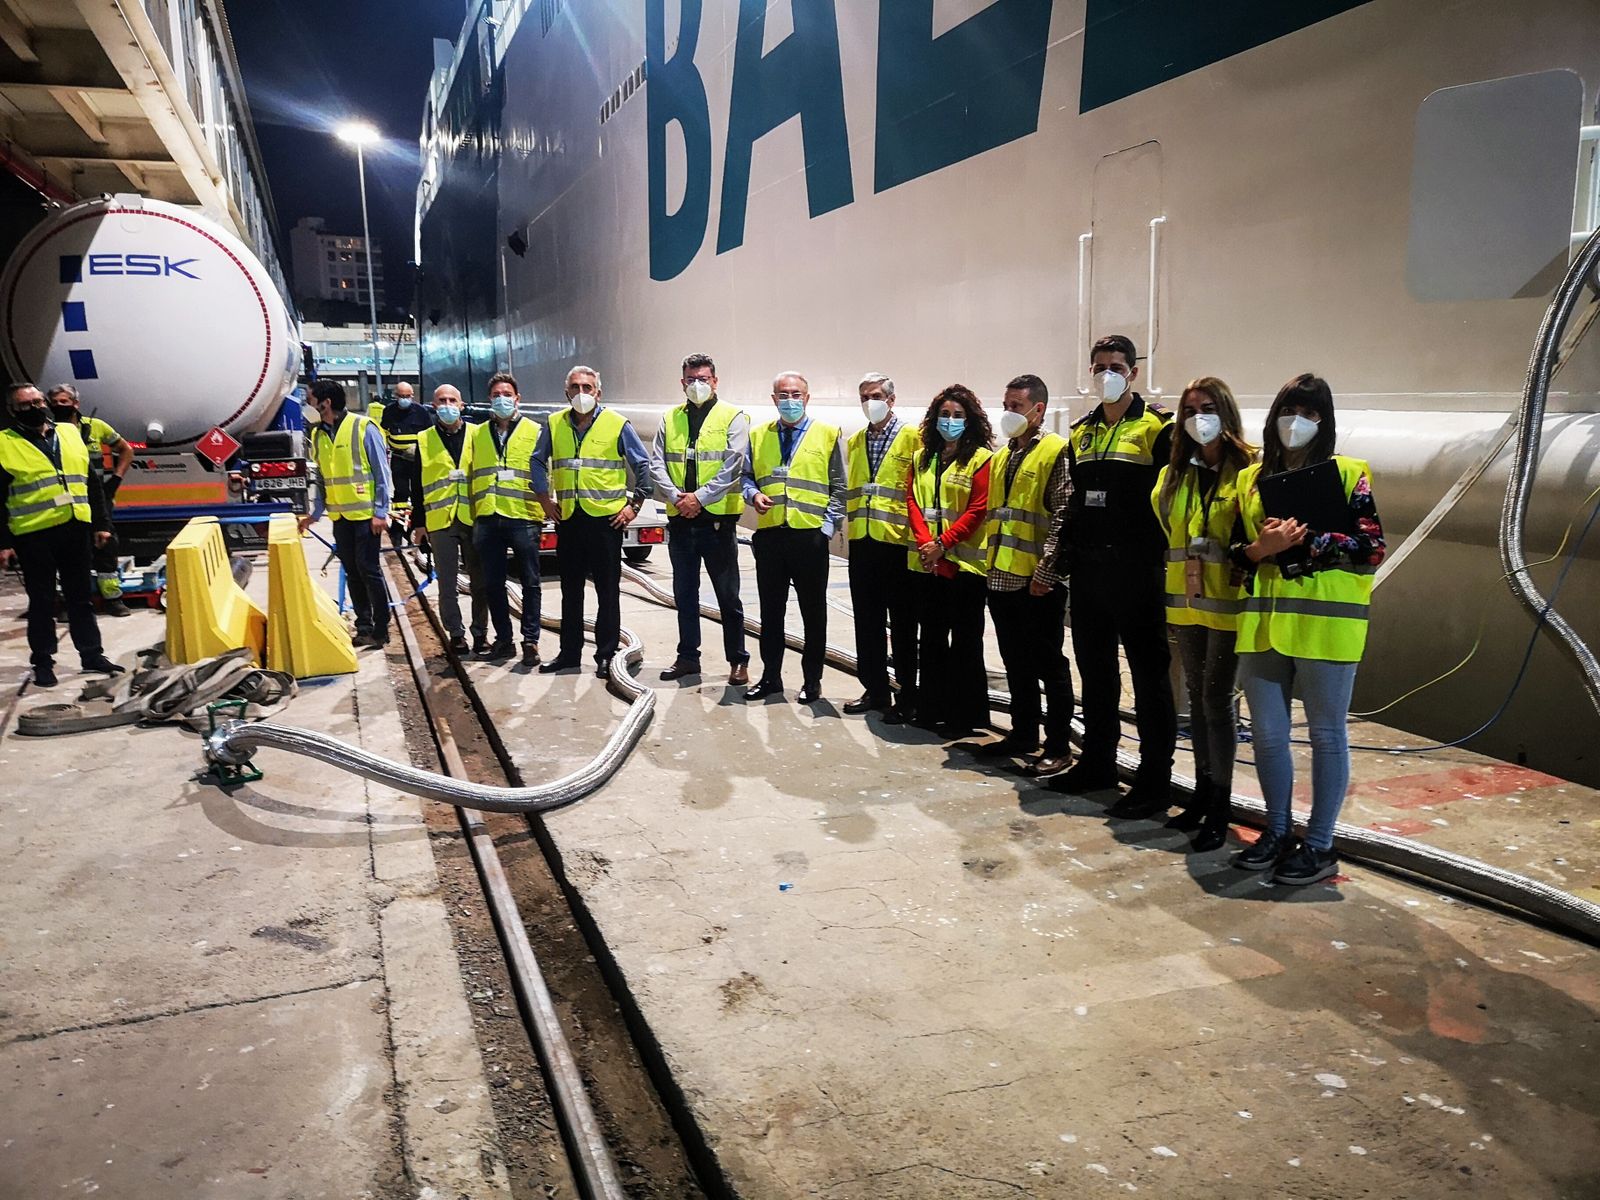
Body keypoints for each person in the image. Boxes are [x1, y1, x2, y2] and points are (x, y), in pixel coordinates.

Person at [1229, 373, 1385, 885]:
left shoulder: (1347, 474)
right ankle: (1277, 830)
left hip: (1327, 626)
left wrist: (1311, 540)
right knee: (1269, 739)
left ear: (1326, 423)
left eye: (1312, 414)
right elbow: (1237, 558)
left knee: (1326, 736)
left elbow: (1372, 548)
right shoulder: (1251, 480)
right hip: (1264, 624)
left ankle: (1319, 844)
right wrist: (1262, 549)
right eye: (1291, 410)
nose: (1298, 423)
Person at [1054, 333, 1177, 818]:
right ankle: (1098, 763)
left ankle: (1154, 781)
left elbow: (1169, 499)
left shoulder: (1157, 429)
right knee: (1096, 672)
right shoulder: (1082, 433)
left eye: (1117, 366)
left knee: (1149, 678)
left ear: (1133, 372)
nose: (1107, 373)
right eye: (1099, 366)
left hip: (1137, 571)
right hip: (1089, 572)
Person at [1151, 377, 1255, 851]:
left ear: (1226, 412)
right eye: (1189, 410)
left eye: (1208, 408)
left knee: (1217, 702)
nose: (1198, 418)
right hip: (1187, 605)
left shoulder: (1249, 470)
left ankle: (1221, 803)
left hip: (1229, 606)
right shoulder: (1176, 474)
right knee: (1196, 700)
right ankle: (1201, 793)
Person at [0, 383, 123, 686]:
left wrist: (101, 524)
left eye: (39, 401)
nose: (36, 407)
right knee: (42, 602)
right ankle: (43, 661)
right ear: (13, 411)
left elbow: (91, 483)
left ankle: (91, 654)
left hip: (74, 528)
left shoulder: (69, 433)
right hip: (34, 534)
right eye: (26, 405)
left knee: (81, 597)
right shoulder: (4, 443)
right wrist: (4, 544)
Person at [981, 373, 1073, 776]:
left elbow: (1063, 515)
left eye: (1015, 407)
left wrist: (1047, 571)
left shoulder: (1055, 451)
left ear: (1038, 410)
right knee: (1015, 661)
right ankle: (1023, 733)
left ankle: (1057, 745)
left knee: (1048, 664)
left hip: (1038, 581)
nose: (1008, 414)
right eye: (1005, 406)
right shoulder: (1003, 455)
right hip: (1002, 576)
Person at [537, 365, 652, 678]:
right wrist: (544, 499)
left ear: (598, 393)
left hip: (606, 522)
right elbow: (537, 460)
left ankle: (606, 654)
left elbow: (643, 465)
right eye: (575, 387)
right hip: (570, 519)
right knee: (570, 591)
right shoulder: (554, 423)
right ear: (567, 392)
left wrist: (634, 506)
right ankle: (569, 654)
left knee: (607, 592)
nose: (581, 393)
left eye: (587, 388)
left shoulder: (617, 424)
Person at [741, 371, 846, 704]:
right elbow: (746, 478)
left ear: (807, 397)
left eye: (796, 394)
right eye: (783, 395)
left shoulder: (827, 435)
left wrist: (826, 529)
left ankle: (811, 681)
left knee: (813, 613)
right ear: (774, 399)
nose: (790, 400)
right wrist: (752, 495)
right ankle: (770, 676)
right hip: (771, 537)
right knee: (771, 613)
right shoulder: (758, 436)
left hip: (810, 538)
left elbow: (839, 488)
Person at [650, 353, 752, 686]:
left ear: (715, 381)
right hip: (682, 521)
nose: (697, 385)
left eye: (703, 379)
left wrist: (700, 498)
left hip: (716, 523)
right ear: (682, 383)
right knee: (685, 593)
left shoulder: (733, 416)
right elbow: (657, 464)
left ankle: (738, 660)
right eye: (691, 379)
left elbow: (733, 464)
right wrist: (679, 498)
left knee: (727, 595)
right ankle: (687, 658)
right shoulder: (670, 419)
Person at [906, 384, 993, 739]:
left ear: (970, 420)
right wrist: (927, 544)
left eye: (958, 416)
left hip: (965, 569)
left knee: (966, 644)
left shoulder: (982, 459)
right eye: (945, 414)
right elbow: (912, 501)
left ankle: (964, 715)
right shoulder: (922, 458)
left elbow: (978, 509)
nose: (951, 421)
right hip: (929, 565)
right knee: (931, 640)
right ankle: (931, 708)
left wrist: (944, 543)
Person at [842, 372, 922, 722]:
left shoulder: (912, 438)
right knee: (867, 621)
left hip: (898, 545)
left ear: (891, 399)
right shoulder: (856, 440)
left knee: (904, 624)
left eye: (875, 395)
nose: (869, 402)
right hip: (864, 544)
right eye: (864, 396)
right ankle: (875, 689)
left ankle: (908, 694)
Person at [299, 379, 393, 648]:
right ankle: (364, 625)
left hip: (366, 516)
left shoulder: (363, 427)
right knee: (352, 571)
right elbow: (320, 477)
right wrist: (315, 513)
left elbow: (381, 473)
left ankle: (381, 626)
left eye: (310, 399)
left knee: (369, 570)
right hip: (340, 517)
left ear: (325, 403)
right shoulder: (318, 435)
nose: (308, 404)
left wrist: (380, 511)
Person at [469, 371, 547, 665]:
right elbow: (469, 473)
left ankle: (530, 640)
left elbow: (543, 471)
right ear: (489, 399)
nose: (502, 399)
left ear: (518, 398)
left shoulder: (534, 430)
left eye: (507, 394)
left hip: (523, 516)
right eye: (496, 395)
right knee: (493, 584)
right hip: (488, 517)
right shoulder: (477, 433)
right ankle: (504, 640)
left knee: (531, 582)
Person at [407, 384, 488, 656]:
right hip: (440, 520)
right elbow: (416, 485)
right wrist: (418, 523)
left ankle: (480, 633)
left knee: (480, 581)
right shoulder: (424, 439)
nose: (447, 405)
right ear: (433, 406)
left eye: (452, 400)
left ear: (462, 405)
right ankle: (456, 634)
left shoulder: (478, 434)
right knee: (447, 583)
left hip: (473, 516)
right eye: (441, 400)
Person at [47, 384, 134, 616]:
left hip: (97, 498)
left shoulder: (96, 427)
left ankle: (112, 598)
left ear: (76, 404)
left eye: (64, 402)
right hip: (64, 499)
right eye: (54, 403)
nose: (58, 407)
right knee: (65, 549)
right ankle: (67, 600)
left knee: (106, 544)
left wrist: (115, 479)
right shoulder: (48, 431)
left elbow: (126, 450)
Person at [380, 381, 431, 509]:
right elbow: (384, 431)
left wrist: (420, 449)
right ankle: (398, 525)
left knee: (418, 491)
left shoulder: (421, 412)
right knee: (401, 492)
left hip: (417, 459)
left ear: (412, 395)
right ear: (395, 396)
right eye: (402, 396)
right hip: (398, 458)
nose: (405, 399)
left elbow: (431, 433)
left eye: (408, 396)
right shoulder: (389, 411)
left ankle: (418, 523)